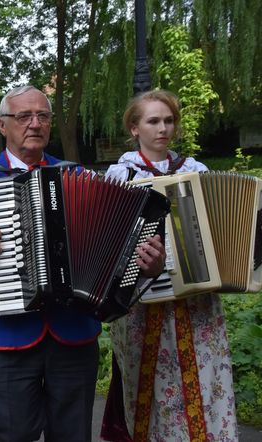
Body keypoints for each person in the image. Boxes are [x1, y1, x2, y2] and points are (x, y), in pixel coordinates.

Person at [0, 85, 166, 441]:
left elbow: (115, 250)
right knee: (12, 433)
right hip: (7, 339)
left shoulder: (80, 178)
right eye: (23, 116)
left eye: (43, 116)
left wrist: (146, 264)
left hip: (74, 335)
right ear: (3, 125)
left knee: (73, 434)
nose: (34, 123)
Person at [100, 89, 238, 442]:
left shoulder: (195, 170)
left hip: (197, 303)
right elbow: (105, 246)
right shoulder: (120, 176)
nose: (163, 128)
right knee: (149, 391)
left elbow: (218, 231)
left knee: (206, 388)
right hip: (142, 306)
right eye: (153, 121)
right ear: (134, 128)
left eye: (168, 120)